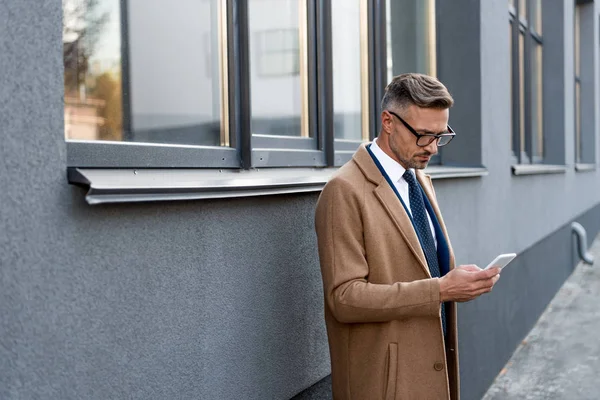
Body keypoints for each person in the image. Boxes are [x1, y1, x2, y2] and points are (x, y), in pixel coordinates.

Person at [314, 73, 501, 400]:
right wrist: (440, 289)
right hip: (384, 384)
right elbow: (343, 298)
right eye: (423, 135)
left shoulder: (419, 180)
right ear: (388, 122)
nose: (432, 147)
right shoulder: (344, 191)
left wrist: (457, 282)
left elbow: (422, 264)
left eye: (441, 136)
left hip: (431, 369)